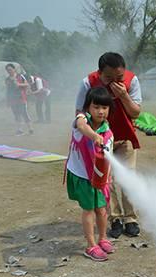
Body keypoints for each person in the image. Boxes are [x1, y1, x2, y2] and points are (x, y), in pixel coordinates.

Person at [75, 52, 142, 239]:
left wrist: (123, 96)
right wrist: (92, 136)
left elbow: (135, 112)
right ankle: (115, 218)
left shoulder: (132, 80)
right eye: (108, 78)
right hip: (100, 139)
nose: (114, 82)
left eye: (118, 77)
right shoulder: (88, 83)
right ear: (99, 72)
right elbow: (79, 112)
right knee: (107, 180)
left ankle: (131, 218)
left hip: (125, 137)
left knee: (128, 177)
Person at [65, 87, 115, 261]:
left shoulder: (108, 133)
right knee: (88, 209)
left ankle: (103, 238)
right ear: (88, 107)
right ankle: (90, 245)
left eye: (105, 107)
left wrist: (108, 177)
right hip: (82, 175)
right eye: (96, 107)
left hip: (99, 177)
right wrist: (94, 136)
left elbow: (109, 157)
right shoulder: (81, 120)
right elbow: (82, 126)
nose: (100, 111)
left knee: (101, 209)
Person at [5, 63, 33, 135]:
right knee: (16, 114)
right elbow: (8, 90)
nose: (9, 71)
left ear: (14, 69)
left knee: (24, 113)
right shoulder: (7, 79)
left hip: (21, 98)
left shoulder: (20, 76)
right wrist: (8, 100)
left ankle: (30, 129)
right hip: (12, 99)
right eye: (8, 70)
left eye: (10, 69)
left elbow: (27, 84)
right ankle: (20, 129)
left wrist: (19, 84)